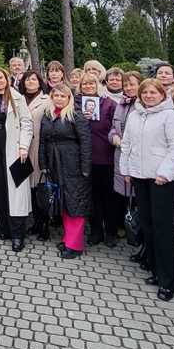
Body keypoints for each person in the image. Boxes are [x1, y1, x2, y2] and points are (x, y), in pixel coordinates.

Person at [120, 78, 174, 300]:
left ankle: (169, 280)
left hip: (162, 180)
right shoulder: (135, 115)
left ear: (162, 94)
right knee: (148, 225)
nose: (149, 96)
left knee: (164, 229)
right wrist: (126, 169)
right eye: (145, 92)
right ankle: (156, 270)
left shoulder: (172, 116)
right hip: (140, 176)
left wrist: (165, 173)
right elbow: (127, 144)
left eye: (153, 92)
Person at [0, 67, 34, 251]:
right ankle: (5, 228)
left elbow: (27, 123)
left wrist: (23, 146)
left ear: (7, 78)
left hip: (14, 149)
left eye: (0, 77)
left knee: (16, 193)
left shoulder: (17, 98)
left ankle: (18, 234)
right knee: (0, 189)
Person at [39, 83, 92, 259]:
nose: (59, 99)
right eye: (56, 95)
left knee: (75, 203)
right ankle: (68, 238)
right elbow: (42, 141)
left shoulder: (76, 115)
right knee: (63, 203)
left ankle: (74, 245)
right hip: (55, 164)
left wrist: (85, 168)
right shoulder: (47, 115)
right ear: (52, 97)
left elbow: (85, 142)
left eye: (63, 96)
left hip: (72, 164)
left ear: (69, 98)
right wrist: (43, 163)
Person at [76, 70, 118, 247]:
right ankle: (95, 232)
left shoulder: (108, 104)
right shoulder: (76, 104)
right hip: (85, 158)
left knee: (109, 197)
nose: (88, 86)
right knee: (92, 197)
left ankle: (110, 232)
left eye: (91, 83)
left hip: (106, 157)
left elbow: (116, 127)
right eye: (84, 83)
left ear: (97, 85)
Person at [110, 70, 142, 251]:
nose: (129, 88)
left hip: (139, 160)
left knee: (139, 200)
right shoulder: (121, 104)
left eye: (132, 84)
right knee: (124, 197)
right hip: (121, 157)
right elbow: (113, 128)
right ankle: (130, 231)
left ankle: (141, 240)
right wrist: (113, 136)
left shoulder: (143, 105)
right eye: (126, 85)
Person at [19, 71, 50, 240]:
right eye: (27, 79)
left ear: (39, 82)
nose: (30, 82)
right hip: (22, 149)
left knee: (40, 188)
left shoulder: (47, 100)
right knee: (26, 188)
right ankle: (34, 222)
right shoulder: (17, 99)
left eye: (33, 79)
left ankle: (44, 224)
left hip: (38, 149)